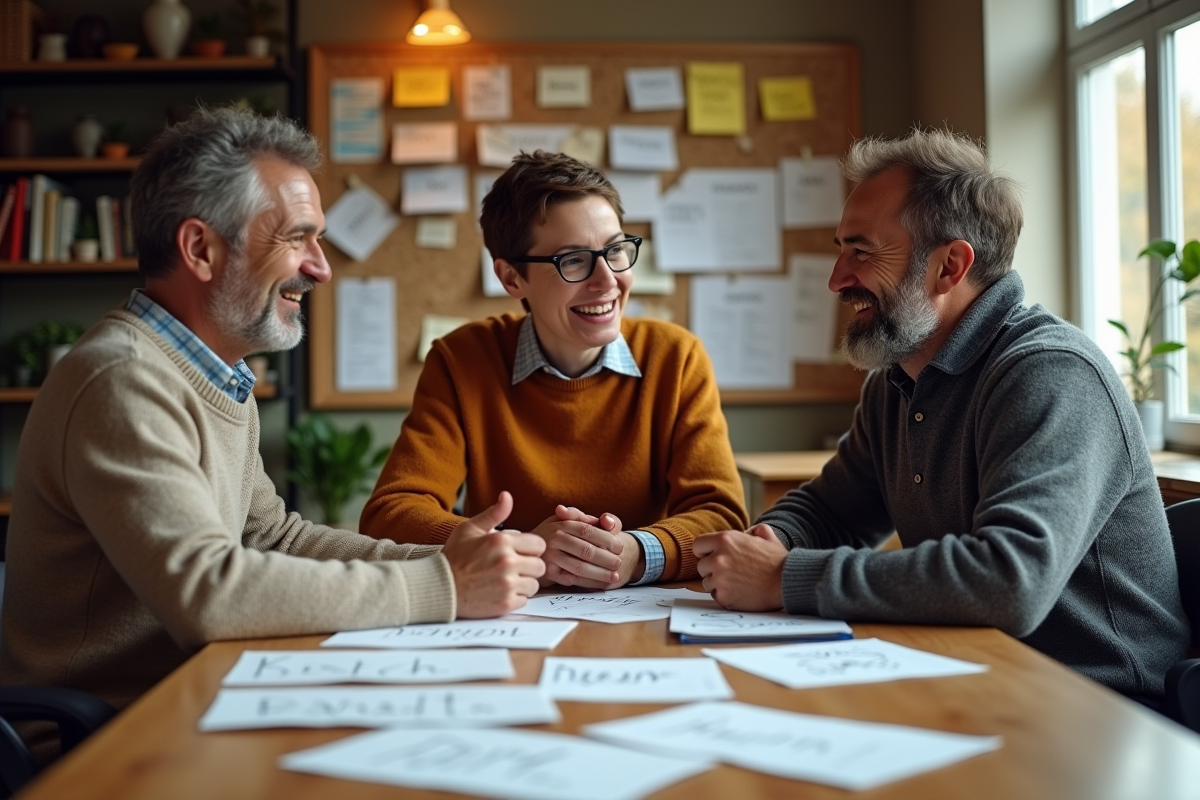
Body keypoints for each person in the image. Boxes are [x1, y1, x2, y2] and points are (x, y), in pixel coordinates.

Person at [0, 108, 547, 726]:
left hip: (191, 704)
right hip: (104, 742)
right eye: (296, 238)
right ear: (200, 249)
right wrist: (444, 588)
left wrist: (447, 563)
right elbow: (209, 593)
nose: (320, 266)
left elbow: (274, 537)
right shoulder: (122, 380)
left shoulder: (215, 375)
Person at [693, 128, 1189, 699]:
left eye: (861, 251)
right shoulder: (899, 376)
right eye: (840, 249)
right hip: (972, 674)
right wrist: (772, 540)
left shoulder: (1051, 373)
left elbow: (1010, 581)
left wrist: (785, 578)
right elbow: (833, 513)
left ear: (950, 265)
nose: (836, 278)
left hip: (1095, 708)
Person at [360, 150, 747, 588]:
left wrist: (639, 553)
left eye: (616, 250)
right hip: (509, 612)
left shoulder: (676, 357)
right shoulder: (462, 360)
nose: (608, 280)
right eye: (574, 260)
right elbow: (389, 516)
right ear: (511, 278)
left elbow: (723, 515)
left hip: (644, 618)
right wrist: (522, 549)